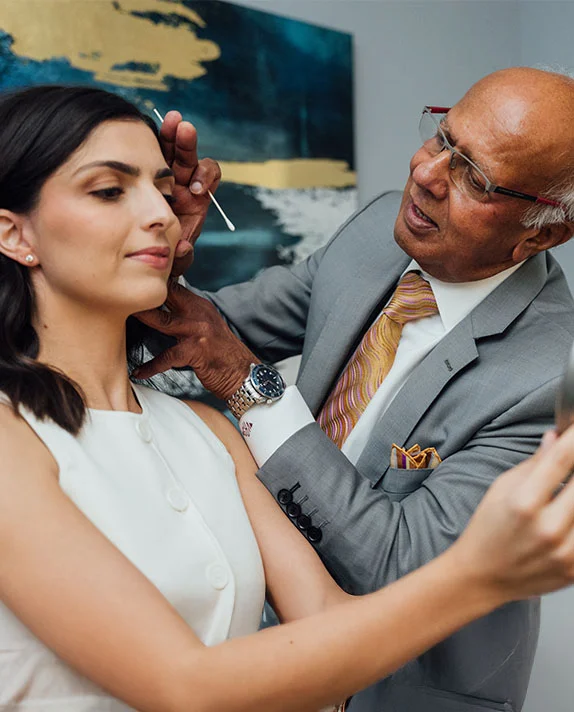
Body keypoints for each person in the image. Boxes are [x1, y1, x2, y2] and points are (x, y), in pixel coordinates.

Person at [135, 66, 574, 712]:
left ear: (542, 234)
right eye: (441, 138)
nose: (426, 174)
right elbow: (197, 333)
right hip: (268, 650)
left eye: (473, 178)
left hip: (397, 693)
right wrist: (159, 249)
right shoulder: (380, 235)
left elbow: (397, 562)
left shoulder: (553, 376)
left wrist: (243, 381)